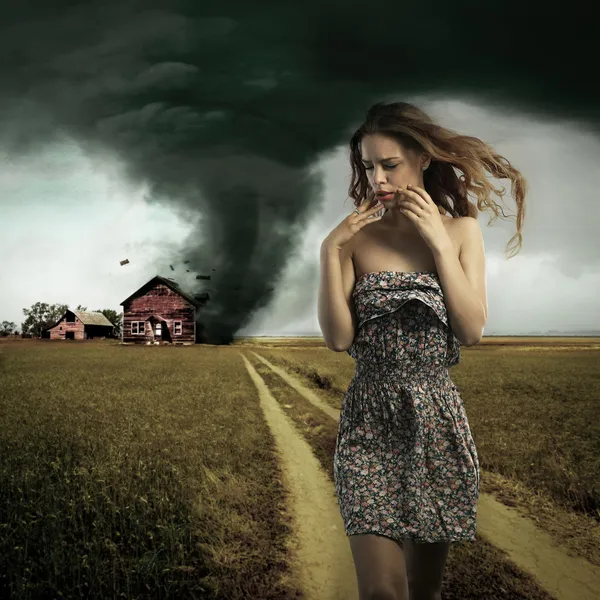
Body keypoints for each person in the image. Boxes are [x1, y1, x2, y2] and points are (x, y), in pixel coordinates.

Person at [318, 101, 527, 600]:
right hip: (368, 418)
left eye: (389, 165)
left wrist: (437, 242)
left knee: (423, 591)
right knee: (382, 593)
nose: (378, 180)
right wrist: (330, 251)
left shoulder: (461, 231)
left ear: (423, 159)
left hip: (434, 418)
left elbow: (471, 329)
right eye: (369, 167)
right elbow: (339, 338)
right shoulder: (355, 239)